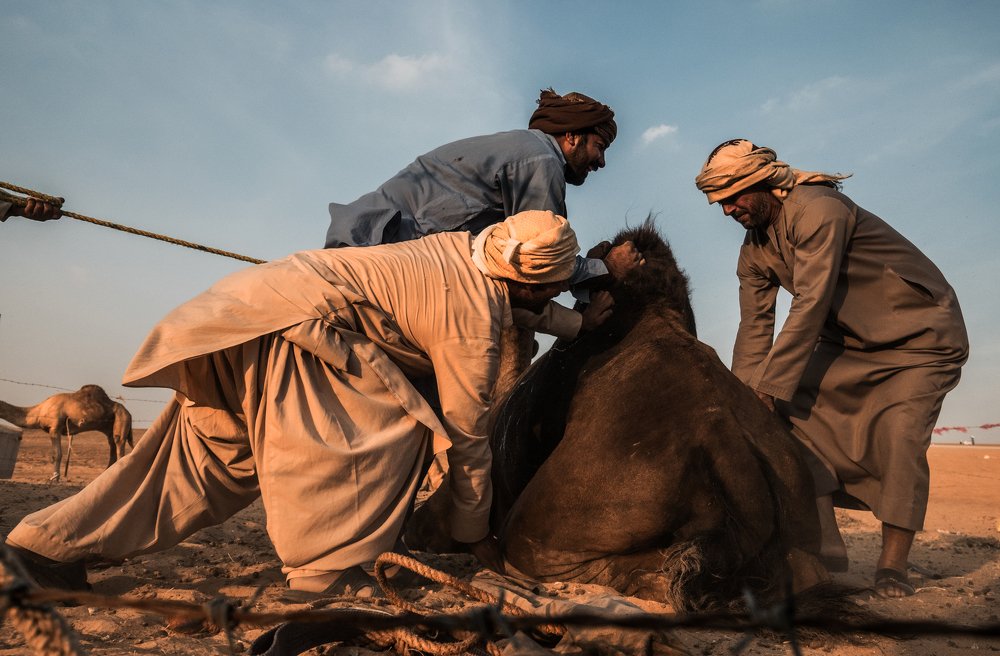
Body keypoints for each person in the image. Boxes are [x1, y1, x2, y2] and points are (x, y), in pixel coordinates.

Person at [5, 209, 588, 598]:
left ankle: (48, 547)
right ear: (532, 283)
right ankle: (328, 570)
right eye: (554, 288)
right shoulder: (471, 319)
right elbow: (467, 432)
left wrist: (577, 322)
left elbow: (515, 298)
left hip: (241, 320)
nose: (553, 296)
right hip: (300, 338)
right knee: (389, 427)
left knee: (198, 465)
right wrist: (474, 529)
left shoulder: (463, 250)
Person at [694, 139, 969, 599]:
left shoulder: (820, 209)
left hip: (921, 338)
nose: (727, 210)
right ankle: (824, 543)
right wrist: (746, 398)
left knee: (900, 435)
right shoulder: (753, 252)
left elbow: (811, 303)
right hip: (848, 342)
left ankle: (893, 566)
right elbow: (755, 327)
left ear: (762, 183)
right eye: (719, 203)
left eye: (733, 197)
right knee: (785, 416)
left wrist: (770, 388)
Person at [324, 88, 635, 340]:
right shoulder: (542, 162)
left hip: (367, 245)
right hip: (382, 259)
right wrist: (603, 268)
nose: (602, 161)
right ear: (572, 137)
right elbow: (538, 261)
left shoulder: (524, 149)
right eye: (600, 146)